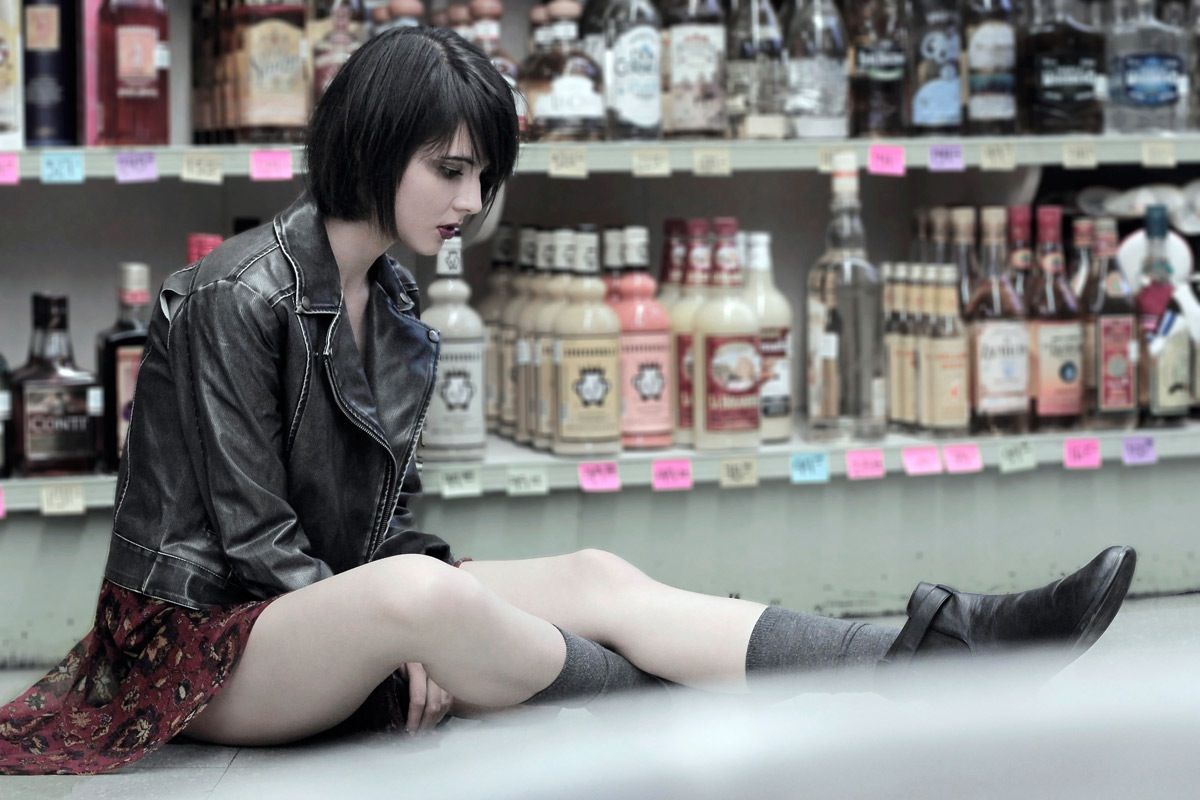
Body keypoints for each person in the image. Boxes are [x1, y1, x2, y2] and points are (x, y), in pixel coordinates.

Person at [0, 26, 1136, 776]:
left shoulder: (393, 307)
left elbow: (389, 527)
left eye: (486, 173)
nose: (474, 198)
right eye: (450, 168)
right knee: (421, 593)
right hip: (195, 652)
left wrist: (417, 611)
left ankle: (937, 644)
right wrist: (407, 633)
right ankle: (877, 675)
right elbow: (254, 542)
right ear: (376, 147)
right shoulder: (229, 293)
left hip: (324, 613)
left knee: (594, 575)